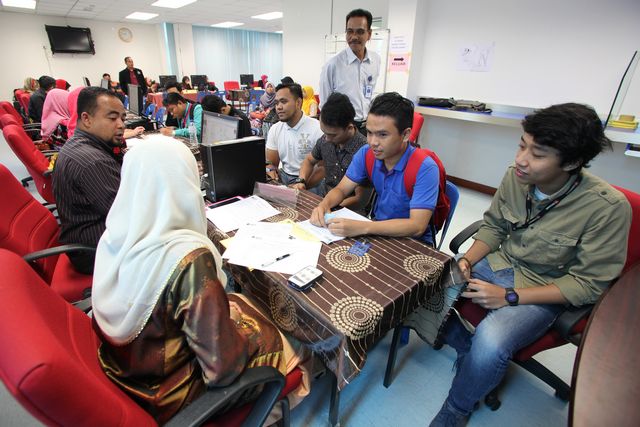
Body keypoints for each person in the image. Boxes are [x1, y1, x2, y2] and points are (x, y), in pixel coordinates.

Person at [430, 103, 632, 427]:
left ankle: (456, 409)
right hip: (500, 263)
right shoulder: (516, 176)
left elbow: (588, 284)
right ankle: (469, 355)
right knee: (427, 283)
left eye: (537, 154)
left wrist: (508, 297)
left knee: (491, 341)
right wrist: (466, 260)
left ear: (572, 162)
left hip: (543, 287)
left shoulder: (607, 208)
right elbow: (494, 227)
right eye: (521, 145)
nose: (521, 159)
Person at [92, 138, 310, 425]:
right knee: (293, 341)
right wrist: (237, 325)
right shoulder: (188, 260)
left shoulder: (117, 232)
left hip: (129, 369)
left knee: (239, 301)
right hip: (171, 392)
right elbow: (223, 370)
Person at [310, 92, 440, 245]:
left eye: (383, 135)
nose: (373, 142)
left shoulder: (425, 168)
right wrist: (324, 205)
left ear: (405, 135)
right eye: (369, 133)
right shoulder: (366, 154)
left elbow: (416, 226)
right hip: (377, 231)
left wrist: (364, 227)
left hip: (413, 242)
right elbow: (341, 189)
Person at [52, 87, 127, 274]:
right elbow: (129, 216)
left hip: (86, 237)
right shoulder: (93, 161)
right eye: (112, 118)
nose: (121, 125)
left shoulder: (82, 145)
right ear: (86, 119)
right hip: (96, 252)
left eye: (123, 118)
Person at [293, 92, 367, 206]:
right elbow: (309, 160)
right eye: (324, 132)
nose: (327, 139)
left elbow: (359, 198)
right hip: (325, 201)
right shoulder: (325, 140)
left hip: (348, 209)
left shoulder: (363, 150)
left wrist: (328, 206)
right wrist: (301, 180)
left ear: (349, 128)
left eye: (332, 135)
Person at [319, 8, 381, 135]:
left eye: (360, 32)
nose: (354, 37)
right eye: (350, 31)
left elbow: (368, 93)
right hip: (343, 128)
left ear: (369, 34)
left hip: (367, 126)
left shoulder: (375, 60)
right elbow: (325, 105)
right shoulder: (332, 65)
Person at [265, 83, 323, 185]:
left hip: (310, 179)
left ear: (298, 103)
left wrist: (302, 185)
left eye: (283, 102)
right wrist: (271, 171)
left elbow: (323, 168)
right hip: (284, 176)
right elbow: (271, 164)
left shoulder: (317, 128)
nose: (278, 107)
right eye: (276, 103)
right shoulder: (275, 129)